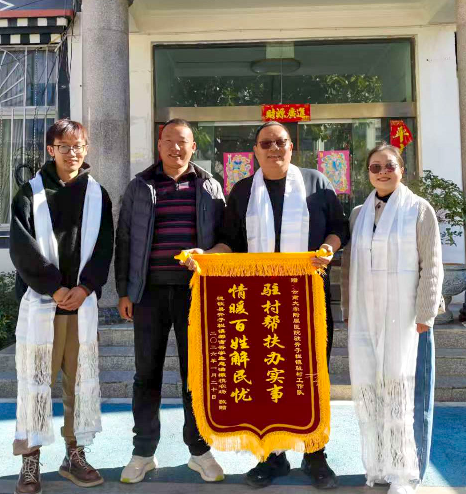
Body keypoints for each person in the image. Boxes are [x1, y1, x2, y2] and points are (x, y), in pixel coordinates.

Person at [185, 121, 349, 490]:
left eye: (280, 142)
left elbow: (340, 228)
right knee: (267, 376)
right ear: (256, 150)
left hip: (306, 300)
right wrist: (207, 256)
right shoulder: (244, 190)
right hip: (259, 301)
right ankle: (271, 457)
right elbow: (230, 242)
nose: (274, 149)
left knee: (311, 377)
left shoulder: (316, 183)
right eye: (266, 143)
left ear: (292, 146)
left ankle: (315, 455)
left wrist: (328, 248)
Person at [115, 118, 227, 484]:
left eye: (182, 142)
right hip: (148, 294)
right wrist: (124, 291)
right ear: (158, 145)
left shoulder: (210, 186)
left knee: (195, 375)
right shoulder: (139, 186)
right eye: (168, 141)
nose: (175, 148)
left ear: (194, 147)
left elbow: (226, 239)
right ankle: (143, 452)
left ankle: (199, 451)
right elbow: (124, 240)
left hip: (196, 295)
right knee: (146, 374)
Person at [9, 119, 114, 494]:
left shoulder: (97, 194)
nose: (72, 153)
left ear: (87, 149)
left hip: (80, 307)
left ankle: (75, 454)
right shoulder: (31, 193)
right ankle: (30, 458)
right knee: (35, 383)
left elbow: (104, 246)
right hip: (43, 304)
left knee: (79, 385)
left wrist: (85, 288)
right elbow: (22, 248)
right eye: (64, 147)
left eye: (79, 146)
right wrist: (54, 288)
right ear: (50, 149)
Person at [342, 143, 443, 494]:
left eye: (389, 166)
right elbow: (350, 265)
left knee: (405, 393)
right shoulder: (359, 214)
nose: (383, 172)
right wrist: (349, 310)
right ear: (367, 174)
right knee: (372, 388)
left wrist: (426, 313)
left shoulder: (419, 209)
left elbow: (431, 263)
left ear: (402, 169)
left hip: (408, 320)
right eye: (375, 167)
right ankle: (380, 465)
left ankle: (405, 473)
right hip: (366, 317)